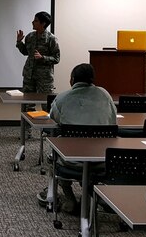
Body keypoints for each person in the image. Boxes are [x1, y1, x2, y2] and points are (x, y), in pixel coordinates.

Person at [44, 63, 117, 212]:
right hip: (102, 160)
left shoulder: (62, 98)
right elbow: (113, 119)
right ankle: (94, 196)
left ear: (72, 80)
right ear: (92, 79)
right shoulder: (105, 95)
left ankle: (70, 199)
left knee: (53, 156)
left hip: (71, 160)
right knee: (90, 167)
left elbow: (53, 120)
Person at [15, 11, 60, 107]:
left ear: (43, 23)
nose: (32, 22)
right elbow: (25, 52)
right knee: (27, 105)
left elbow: (56, 58)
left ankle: (49, 122)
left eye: (35, 21)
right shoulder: (30, 37)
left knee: (47, 105)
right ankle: (26, 122)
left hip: (44, 78)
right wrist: (19, 42)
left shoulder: (51, 39)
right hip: (29, 76)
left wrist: (43, 58)